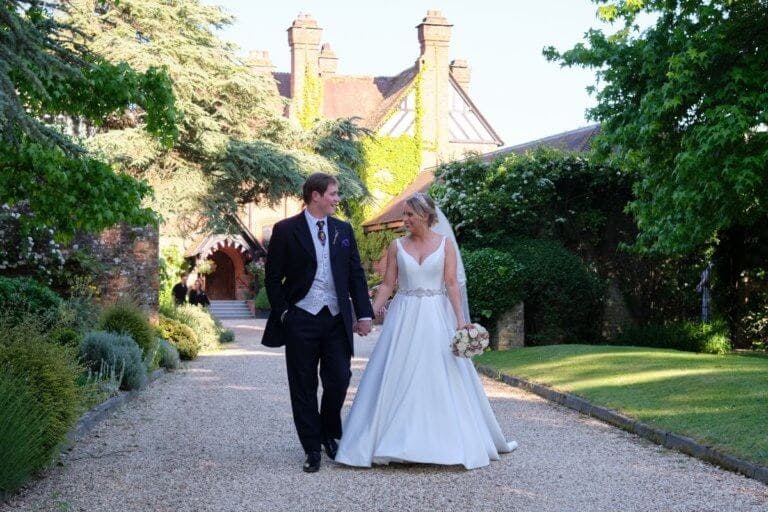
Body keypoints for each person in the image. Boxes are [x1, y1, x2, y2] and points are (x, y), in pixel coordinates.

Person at [335, 192, 517, 470]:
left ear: (426, 216)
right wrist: (368, 315)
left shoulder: (445, 246)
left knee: (437, 372)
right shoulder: (396, 246)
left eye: (409, 214)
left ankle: (444, 441)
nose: (404, 220)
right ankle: (388, 440)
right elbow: (387, 285)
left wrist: (460, 321)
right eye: (404, 214)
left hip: (435, 315)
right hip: (404, 316)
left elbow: (452, 285)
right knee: (397, 371)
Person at [262, 172, 374, 473]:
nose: (338, 199)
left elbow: (355, 275)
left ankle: (329, 431)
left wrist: (363, 313)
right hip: (301, 318)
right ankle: (312, 448)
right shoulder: (286, 230)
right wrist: (285, 312)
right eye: (334, 194)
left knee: (339, 378)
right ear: (316, 196)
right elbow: (272, 278)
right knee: (303, 385)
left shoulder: (343, 230)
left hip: (336, 318)